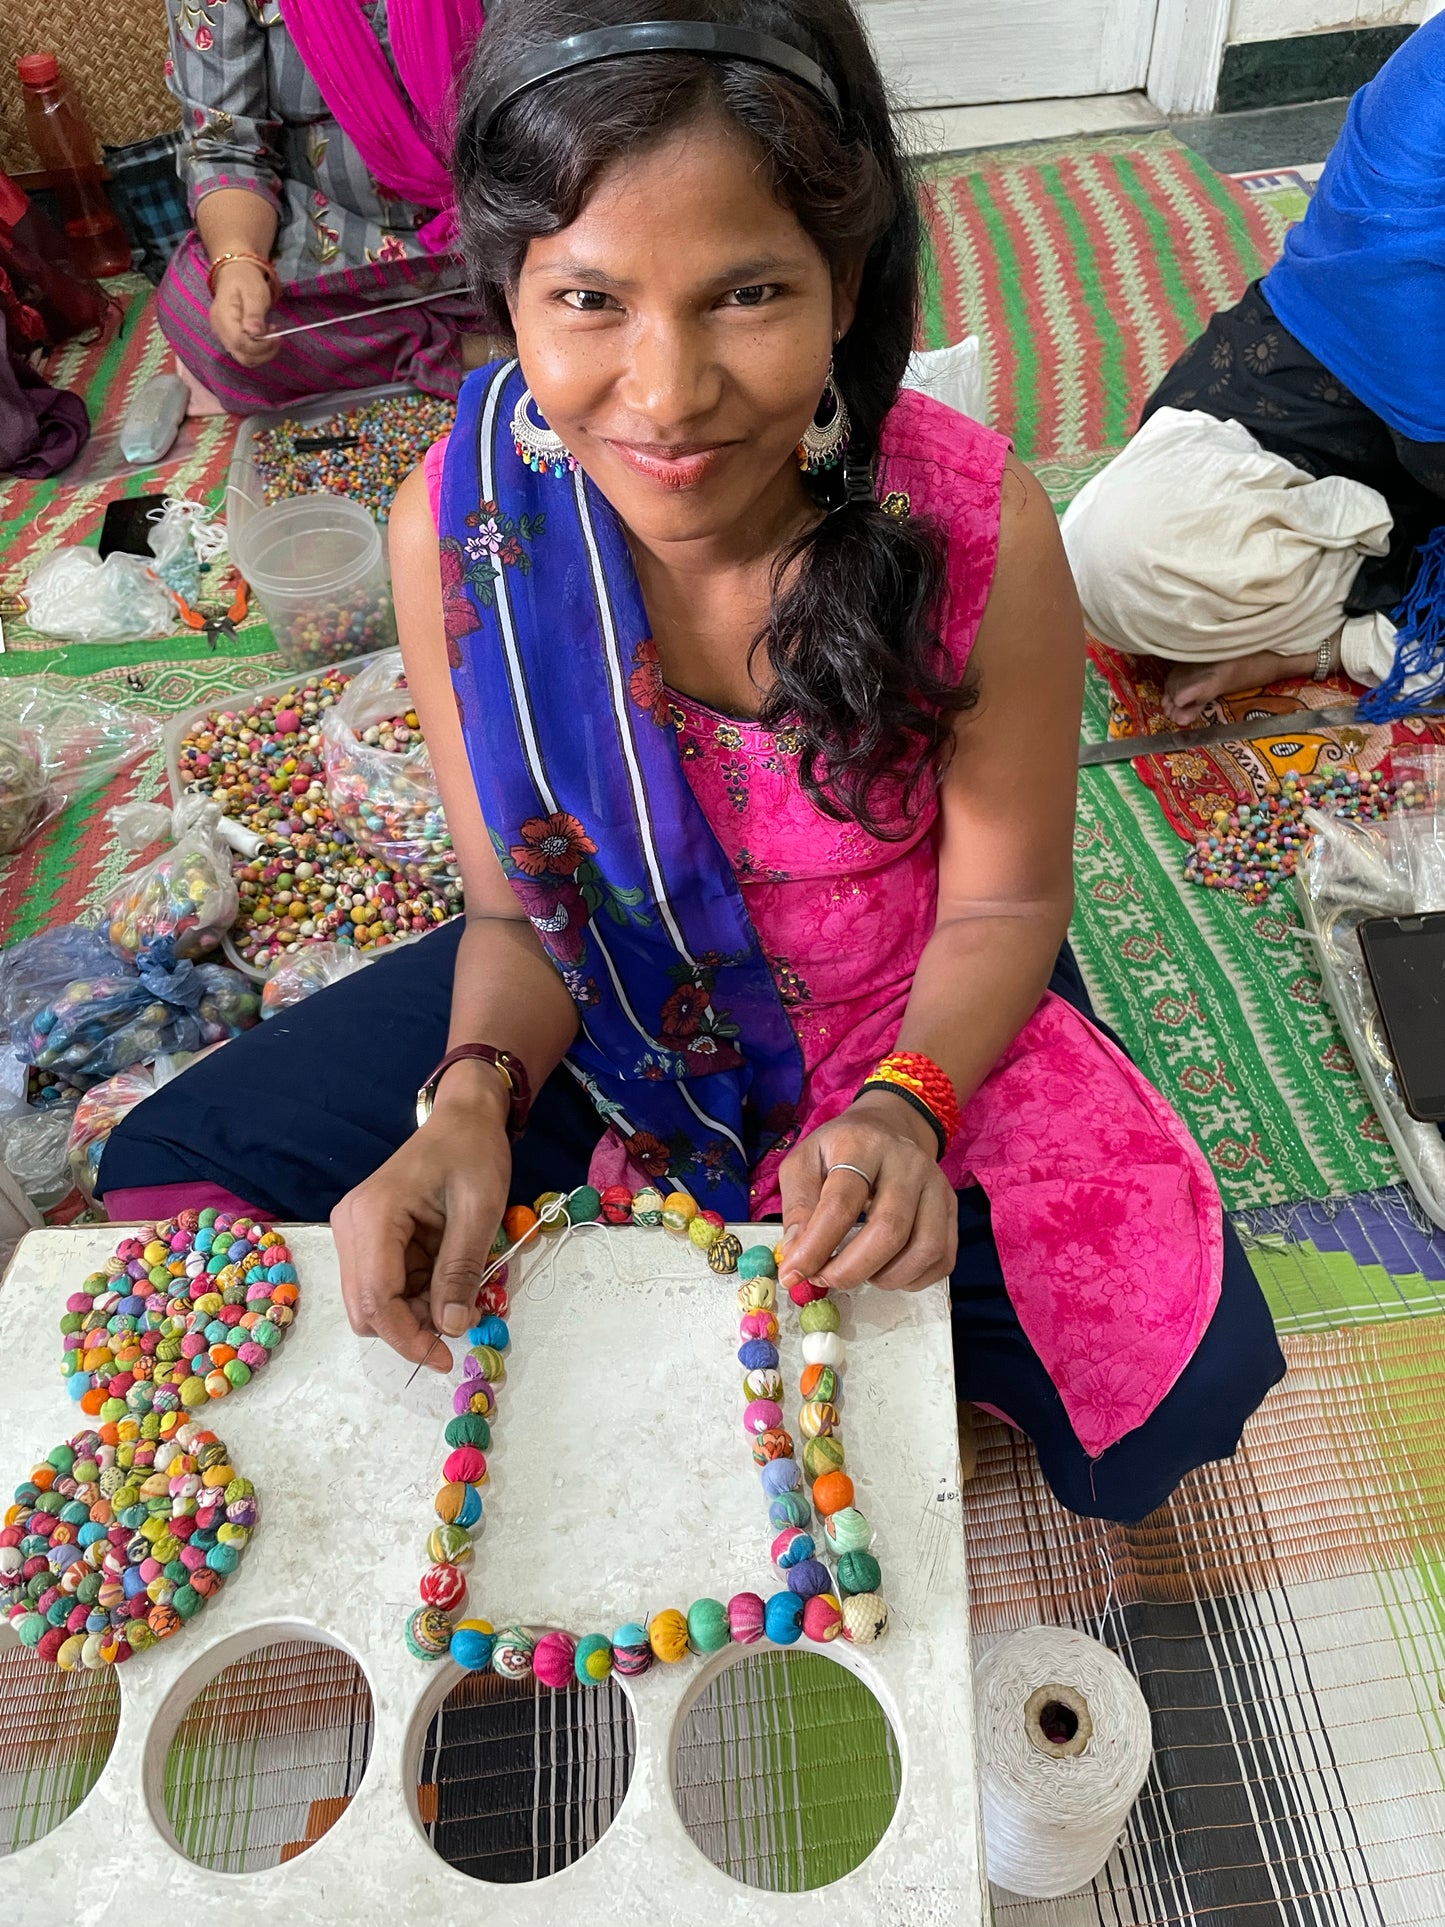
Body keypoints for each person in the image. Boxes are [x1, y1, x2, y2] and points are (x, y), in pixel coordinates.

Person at [102, 0, 1284, 1525]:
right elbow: (515, 911)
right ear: (507, 295)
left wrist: (909, 1105)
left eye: (743, 294)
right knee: (174, 1170)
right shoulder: (463, 541)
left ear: (843, 281)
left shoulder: (969, 529)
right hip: (612, 982)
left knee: (1169, 1391)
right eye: (589, 298)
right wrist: (465, 1100)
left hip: (896, 994)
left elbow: (1001, 908)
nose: (665, 395)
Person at [1062, 16, 1445, 725]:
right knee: (1111, 558)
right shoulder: (1435, 79)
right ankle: (1380, 623)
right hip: (1323, 378)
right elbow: (1413, 365)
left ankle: (1333, 642)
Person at [157, 0, 486, 413]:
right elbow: (227, 148)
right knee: (197, 307)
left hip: (499, 221)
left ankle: (513, 328)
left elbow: (563, 90)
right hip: (342, 249)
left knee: (577, 259)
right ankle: (479, 348)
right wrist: (239, 260)